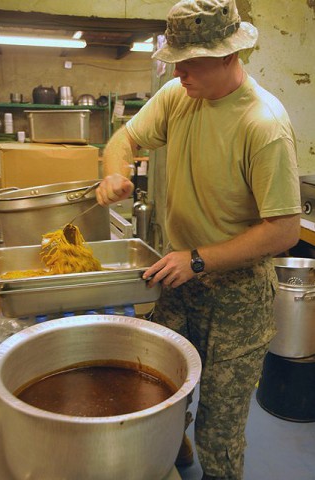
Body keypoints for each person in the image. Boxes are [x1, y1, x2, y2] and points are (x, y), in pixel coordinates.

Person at [96, 1, 301, 478]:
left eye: (191, 61)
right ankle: (176, 445)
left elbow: (284, 230)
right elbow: (123, 139)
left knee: (220, 428)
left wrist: (201, 259)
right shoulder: (178, 95)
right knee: (163, 392)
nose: (180, 71)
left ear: (230, 55)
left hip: (238, 294)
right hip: (180, 276)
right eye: (176, 60)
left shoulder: (263, 125)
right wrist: (114, 173)